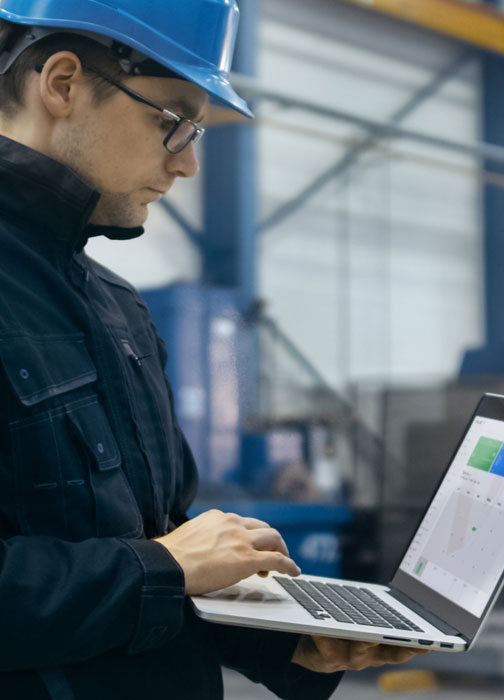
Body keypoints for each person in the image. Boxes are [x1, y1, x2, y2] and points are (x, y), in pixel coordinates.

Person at [0, 2, 425, 698]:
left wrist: (279, 641)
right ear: (64, 84)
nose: (189, 163)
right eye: (172, 121)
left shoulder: (118, 308)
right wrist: (163, 568)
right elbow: (159, 562)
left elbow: (156, 544)